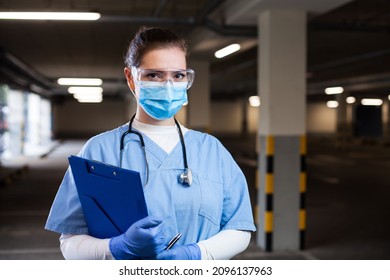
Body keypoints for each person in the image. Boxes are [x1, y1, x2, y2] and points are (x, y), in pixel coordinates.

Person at [45, 26, 256, 260]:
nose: (167, 85)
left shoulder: (212, 150)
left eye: (178, 75)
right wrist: (116, 248)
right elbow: (70, 242)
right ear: (131, 78)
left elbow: (239, 228)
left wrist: (197, 254)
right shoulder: (98, 150)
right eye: (154, 75)